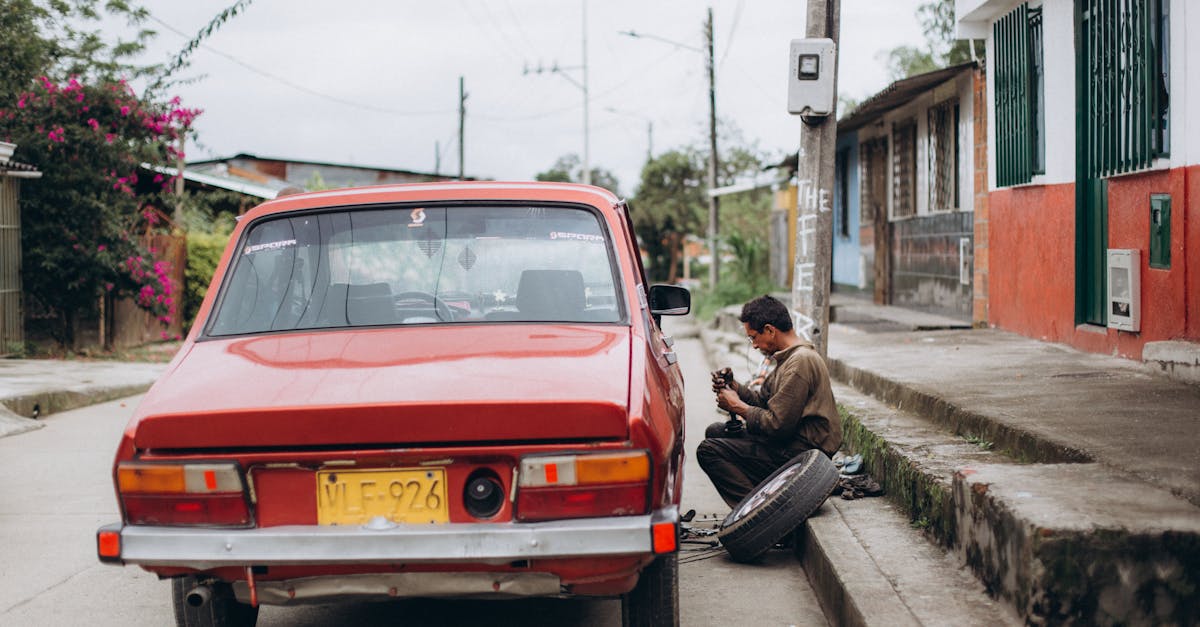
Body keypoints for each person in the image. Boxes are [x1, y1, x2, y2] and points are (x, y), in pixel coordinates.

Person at [696, 295, 842, 508]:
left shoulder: (800, 362)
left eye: (754, 337)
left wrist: (737, 406)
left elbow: (777, 426)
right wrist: (735, 387)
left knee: (708, 450)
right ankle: (763, 498)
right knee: (716, 431)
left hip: (802, 453)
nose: (754, 345)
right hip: (790, 443)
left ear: (770, 330)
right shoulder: (789, 358)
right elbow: (764, 402)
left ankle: (759, 514)